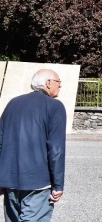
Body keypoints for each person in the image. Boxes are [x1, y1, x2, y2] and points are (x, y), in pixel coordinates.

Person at [0, 69, 67, 221]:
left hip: (10, 180)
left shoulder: (13, 103)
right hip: (37, 181)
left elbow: (0, 141)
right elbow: (56, 149)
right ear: (48, 83)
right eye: (59, 82)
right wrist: (58, 184)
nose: (60, 86)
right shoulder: (54, 106)